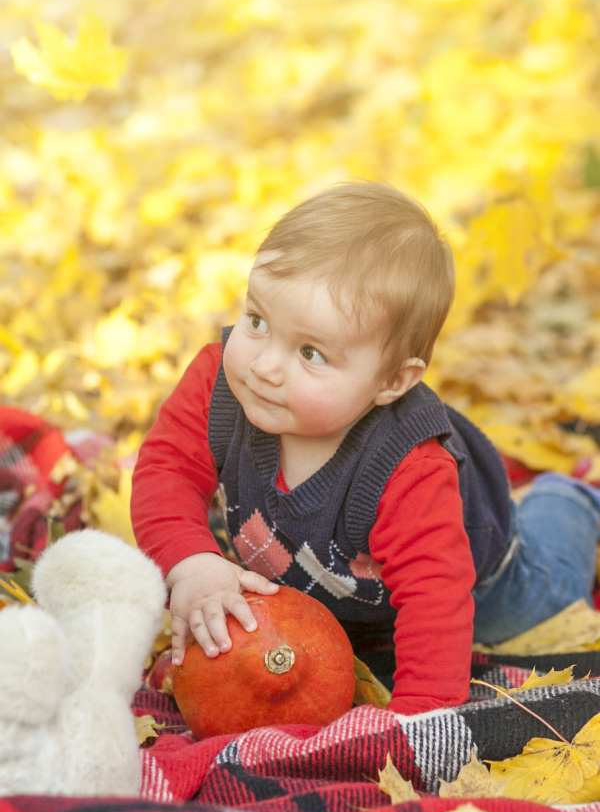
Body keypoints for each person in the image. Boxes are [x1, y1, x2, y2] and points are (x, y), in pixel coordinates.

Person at [131, 181, 600, 714]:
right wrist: (192, 562)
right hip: (328, 581)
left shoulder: (406, 467)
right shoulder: (220, 384)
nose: (264, 365)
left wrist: (418, 726)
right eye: (257, 321)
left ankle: (570, 502)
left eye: (310, 352)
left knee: (544, 600)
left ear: (392, 382)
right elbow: (165, 468)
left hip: (483, 581)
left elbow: (435, 599)